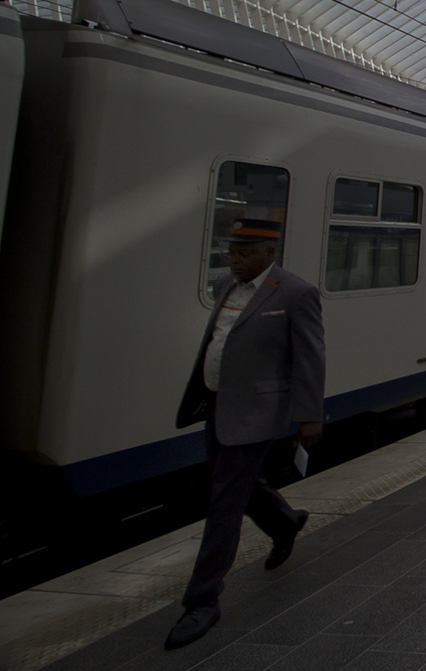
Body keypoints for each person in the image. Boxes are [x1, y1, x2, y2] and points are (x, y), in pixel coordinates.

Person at [165, 218, 325, 650]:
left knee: (224, 501)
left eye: (244, 251)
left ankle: (203, 599)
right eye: (231, 250)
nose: (233, 258)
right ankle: (285, 522)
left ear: (269, 253)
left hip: (257, 411)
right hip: (218, 406)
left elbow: (310, 357)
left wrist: (310, 416)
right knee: (237, 484)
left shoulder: (295, 293)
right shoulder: (224, 285)